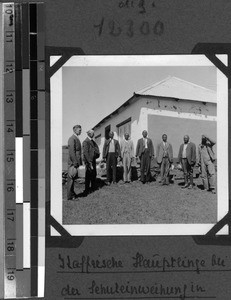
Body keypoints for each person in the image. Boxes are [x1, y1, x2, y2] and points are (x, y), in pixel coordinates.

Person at [82, 129, 100, 195]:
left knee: (93, 174)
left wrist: (97, 155)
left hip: (93, 160)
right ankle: (87, 189)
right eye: (92, 133)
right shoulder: (86, 141)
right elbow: (85, 152)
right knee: (88, 175)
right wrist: (89, 161)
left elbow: (96, 149)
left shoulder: (93, 141)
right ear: (89, 134)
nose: (93, 134)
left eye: (93, 133)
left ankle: (93, 188)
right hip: (89, 161)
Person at [67, 125, 82, 200]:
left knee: (73, 178)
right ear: (75, 130)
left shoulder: (76, 138)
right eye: (79, 130)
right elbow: (72, 152)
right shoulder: (72, 139)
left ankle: (72, 194)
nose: (80, 131)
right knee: (71, 178)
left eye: (80, 130)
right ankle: (70, 196)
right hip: (73, 162)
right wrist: (75, 162)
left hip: (75, 161)